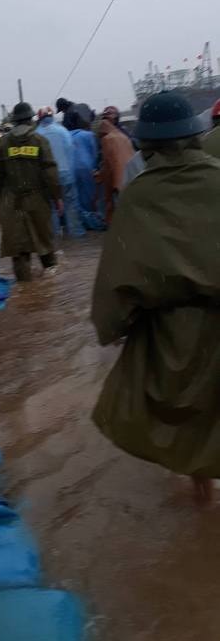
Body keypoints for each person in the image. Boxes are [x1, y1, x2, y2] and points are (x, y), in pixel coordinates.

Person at [91, 91, 220, 505]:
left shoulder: (140, 194)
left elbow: (119, 276)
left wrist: (112, 327)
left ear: (147, 143)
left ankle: (200, 494)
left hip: (170, 330)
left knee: (183, 418)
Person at [0, 101, 62, 282]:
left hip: (12, 203)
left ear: (14, 121)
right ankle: (51, 289)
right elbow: (50, 173)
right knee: (45, 245)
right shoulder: (40, 141)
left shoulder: (2, 144)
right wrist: (57, 197)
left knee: (20, 250)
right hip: (37, 200)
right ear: (31, 120)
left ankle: (25, 290)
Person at [36, 106, 85, 239]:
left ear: (39, 119)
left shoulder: (37, 134)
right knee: (71, 206)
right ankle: (76, 236)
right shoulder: (63, 131)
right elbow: (71, 153)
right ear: (52, 117)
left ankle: (55, 238)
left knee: (51, 208)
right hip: (67, 176)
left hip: (48, 179)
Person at [63, 107, 105, 230]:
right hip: (87, 168)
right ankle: (93, 221)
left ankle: (82, 222)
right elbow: (95, 153)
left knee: (76, 199)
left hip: (70, 169)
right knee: (90, 196)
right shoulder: (89, 135)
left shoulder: (65, 135)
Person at [98, 108, 135, 223]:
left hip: (119, 180)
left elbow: (108, 166)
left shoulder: (107, 139)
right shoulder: (124, 135)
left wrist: (107, 195)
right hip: (132, 176)